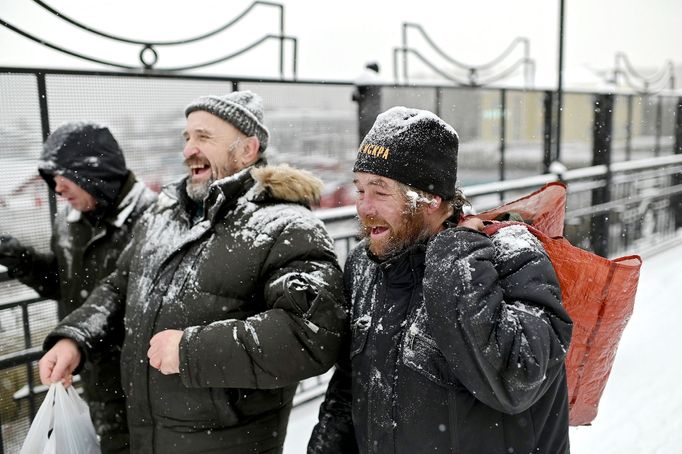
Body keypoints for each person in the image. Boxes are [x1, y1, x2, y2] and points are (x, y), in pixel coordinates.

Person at [38, 91, 348, 454]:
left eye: (203, 137)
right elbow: (118, 288)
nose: (188, 150)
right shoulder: (164, 216)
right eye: (187, 138)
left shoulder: (286, 226)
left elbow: (312, 335)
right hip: (147, 439)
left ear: (247, 149)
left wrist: (191, 351)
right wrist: (75, 338)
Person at [308, 106, 574, 453]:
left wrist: (455, 260)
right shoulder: (365, 264)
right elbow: (351, 386)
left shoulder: (512, 257)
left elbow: (518, 380)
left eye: (381, 191)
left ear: (431, 199)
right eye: (360, 190)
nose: (363, 206)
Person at [0, 122, 156, 453]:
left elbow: (139, 301)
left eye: (63, 176)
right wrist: (15, 254)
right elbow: (63, 283)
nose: (57, 189)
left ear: (93, 173)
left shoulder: (153, 220)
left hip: (145, 384)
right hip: (93, 378)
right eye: (51, 179)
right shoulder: (69, 222)